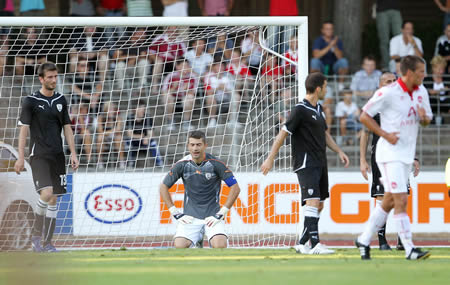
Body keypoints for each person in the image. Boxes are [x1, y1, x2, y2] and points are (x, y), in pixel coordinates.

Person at [261, 72, 350, 255]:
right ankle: (315, 244)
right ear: (318, 88)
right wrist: (270, 158)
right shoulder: (300, 109)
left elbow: (325, 135)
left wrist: (339, 151)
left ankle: (302, 243)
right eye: (325, 86)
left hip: (320, 162)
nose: (326, 90)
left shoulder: (319, 109)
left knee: (319, 204)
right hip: (306, 162)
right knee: (312, 201)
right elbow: (282, 134)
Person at [355, 55, 433, 260]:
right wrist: (385, 135)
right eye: (421, 72)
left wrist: (424, 118)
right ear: (409, 73)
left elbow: (426, 121)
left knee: (388, 201)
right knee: (401, 199)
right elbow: (364, 116)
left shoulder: (421, 91)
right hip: (388, 154)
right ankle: (409, 248)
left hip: (406, 154)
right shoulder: (388, 93)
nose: (424, 76)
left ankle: (363, 239)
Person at [14, 62, 79, 252]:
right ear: (41, 79)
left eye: (55, 76)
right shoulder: (30, 101)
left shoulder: (61, 99)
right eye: (49, 77)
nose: (53, 80)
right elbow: (23, 131)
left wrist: (73, 153)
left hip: (58, 155)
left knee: (54, 199)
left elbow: (67, 127)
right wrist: (20, 157)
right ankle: (36, 236)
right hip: (39, 155)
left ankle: (47, 243)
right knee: (47, 193)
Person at [359, 71, 415, 251]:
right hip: (381, 157)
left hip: (401, 156)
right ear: (380, 84)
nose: (392, 83)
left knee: (401, 196)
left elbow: (407, 132)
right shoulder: (376, 103)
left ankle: (401, 240)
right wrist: (362, 159)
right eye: (387, 81)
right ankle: (381, 240)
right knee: (383, 197)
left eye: (393, 80)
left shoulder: (402, 102)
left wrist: (414, 157)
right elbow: (365, 133)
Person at [159, 130, 241, 248]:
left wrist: (222, 213)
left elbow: (235, 188)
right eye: (192, 145)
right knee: (180, 246)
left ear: (205, 145)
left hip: (213, 217)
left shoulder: (216, 164)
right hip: (190, 218)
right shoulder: (182, 164)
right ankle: (197, 239)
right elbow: (163, 187)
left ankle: (205, 238)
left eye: (198, 144)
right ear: (188, 146)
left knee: (220, 246)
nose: (195, 148)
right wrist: (175, 212)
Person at [160, 60, 198, 132]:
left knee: (190, 98)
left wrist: (186, 89)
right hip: (173, 98)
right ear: (177, 67)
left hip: (185, 98)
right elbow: (163, 92)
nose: (185, 68)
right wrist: (174, 88)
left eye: (187, 66)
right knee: (167, 96)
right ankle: (170, 122)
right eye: (183, 66)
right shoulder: (171, 75)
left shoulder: (192, 76)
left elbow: (193, 92)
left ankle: (186, 123)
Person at [311, 22, 349, 88]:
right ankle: (317, 85)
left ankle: (340, 85)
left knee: (344, 61)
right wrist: (330, 45)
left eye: (331, 29)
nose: (329, 31)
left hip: (334, 67)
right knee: (314, 61)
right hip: (321, 67)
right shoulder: (318, 40)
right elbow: (316, 56)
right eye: (327, 29)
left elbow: (340, 57)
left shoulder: (337, 41)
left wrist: (334, 46)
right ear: (322, 30)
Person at [125, 100, 163, 167]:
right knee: (128, 142)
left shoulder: (148, 118)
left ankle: (159, 163)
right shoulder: (130, 118)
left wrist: (146, 137)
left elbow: (151, 134)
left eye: (143, 108)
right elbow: (129, 134)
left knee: (153, 143)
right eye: (141, 108)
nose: (143, 110)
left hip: (145, 141)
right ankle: (130, 163)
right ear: (135, 109)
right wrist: (141, 136)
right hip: (135, 141)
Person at [204, 60, 240, 128]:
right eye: (217, 65)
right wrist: (218, 88)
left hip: (227, 98)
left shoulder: (228, 75)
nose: (220, 67)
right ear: (213, 67)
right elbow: (208, 91)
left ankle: (233, 120)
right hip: (215, 99)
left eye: (222, 65)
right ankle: (212, 120)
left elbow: (234, 91)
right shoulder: (209, 76)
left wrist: (225, 89)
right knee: (210, 97)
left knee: (236, 96)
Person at [375, 0, 402, 71]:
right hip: (382, 9)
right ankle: (386, 65)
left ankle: (401, 64)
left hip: (396, 8)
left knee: (399, 38)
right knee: (384, 40)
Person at [424, 56, 450, 125]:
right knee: (432, 100)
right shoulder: (428, 79)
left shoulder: (447, 78)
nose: (441, 71)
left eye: (442, 69)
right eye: (439, 69)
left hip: (445, 103)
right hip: (432, 104)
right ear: (434, 68)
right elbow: (430, 92)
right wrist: (442, 89)